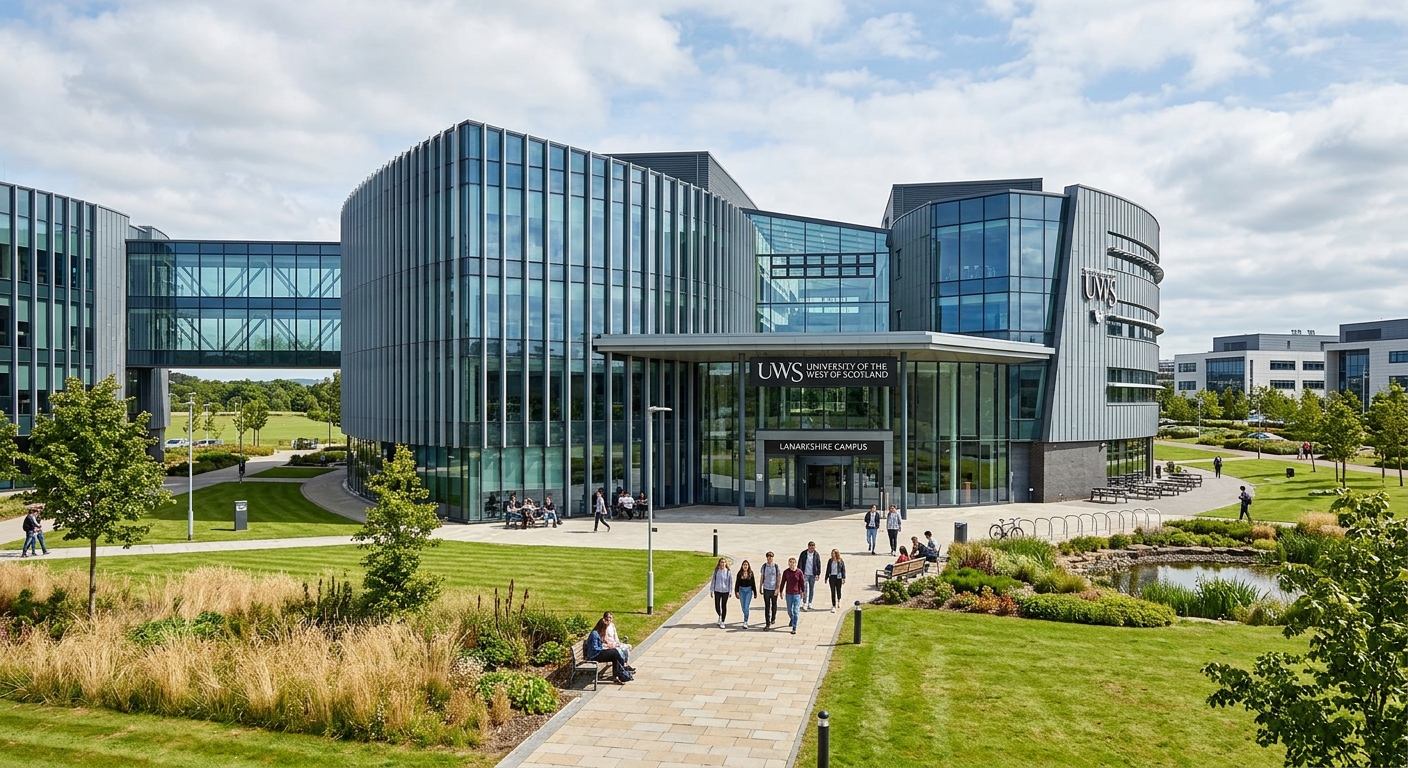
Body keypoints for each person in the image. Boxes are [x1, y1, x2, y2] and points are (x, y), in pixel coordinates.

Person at [583, 617, 632, 683]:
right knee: (615, 653)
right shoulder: (594, 634)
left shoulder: (599, 633)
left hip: (599, 652)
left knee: (616, 655)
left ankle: (618, 675)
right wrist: (604, 649)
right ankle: (622, 673)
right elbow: (595, 649)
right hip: (594, 655)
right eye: (605, 628)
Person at [781, 556, 806, 635]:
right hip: (789, 593)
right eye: (790, 563)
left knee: (796, 611)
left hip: (797, 594)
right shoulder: (786, 572)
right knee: (789, 610)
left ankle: (794, 627)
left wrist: (803, 591)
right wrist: (781, 591)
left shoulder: (799, 572)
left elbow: (802, 582)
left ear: (795, 564)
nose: (791, 564)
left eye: (793, 563)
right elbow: (783, 582)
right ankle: (792, 619)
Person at [798, 542, 822, 611]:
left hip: (812, 574)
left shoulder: (816, 554)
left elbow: (818, 564)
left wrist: (818, 574)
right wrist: (800, 573)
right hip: (805, 574)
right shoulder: (803, 554)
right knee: (804, 588)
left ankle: (810, 602)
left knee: (812, 588)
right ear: (808, 546)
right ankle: (804, 602)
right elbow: (800, 563)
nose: (811, 548)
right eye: (810, 546)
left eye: (813, 546)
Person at [760, 552, 781, 629]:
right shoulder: (764, 566)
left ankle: (773, 617)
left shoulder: (776, 566)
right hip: (766, 588)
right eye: (768, 557)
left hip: (774, 588)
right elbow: (762, 577)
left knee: (774, 604)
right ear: (767, 558)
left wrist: (777, 588)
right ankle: (767, 623)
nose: (770, 558)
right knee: (767, 606)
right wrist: (760, 587)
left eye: (771, 557)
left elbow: (778, 577)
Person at [734, 560, 757, 629]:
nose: (745, 566)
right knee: (743, 607)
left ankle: (745, 621)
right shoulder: (739, 573)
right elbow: (737, 583)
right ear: (742, 566)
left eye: (746, 565)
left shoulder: (751, 573)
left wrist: (755, 592)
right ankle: (745, 615)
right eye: (744, 565)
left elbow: (753, 583)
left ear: (748, 566)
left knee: (746, 606)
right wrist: (736, 591)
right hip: (741, 590)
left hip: (748, 591)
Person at [711, 557, 733, 629]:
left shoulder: (728, 572)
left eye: (724, 562)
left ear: (726, 563)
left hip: (725, 591)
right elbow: (713, 581)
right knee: (717, 605)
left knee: (724, 606)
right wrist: (711, 590)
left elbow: (730, 582)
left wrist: (730, 591)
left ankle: (723, 621)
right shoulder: (716, 571)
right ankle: (720, 615)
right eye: (721, 562)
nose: (722, 564)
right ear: (719, 563)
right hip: (717, 591)